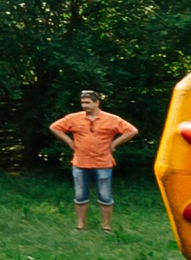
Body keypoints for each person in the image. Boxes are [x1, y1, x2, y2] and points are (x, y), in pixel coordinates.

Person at [48, 89, 138, 231]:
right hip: (80, 163)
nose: (84, 105)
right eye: (82, 102)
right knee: (80, 196)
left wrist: (115, 143)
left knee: (105, 197)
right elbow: (54, 127)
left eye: (88, 103)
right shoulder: (74, 118)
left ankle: (106, 227)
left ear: (97, 103)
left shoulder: (111, 119)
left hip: (102, 163)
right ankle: (80, 226)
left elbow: (132, 130)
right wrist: (68, 141)